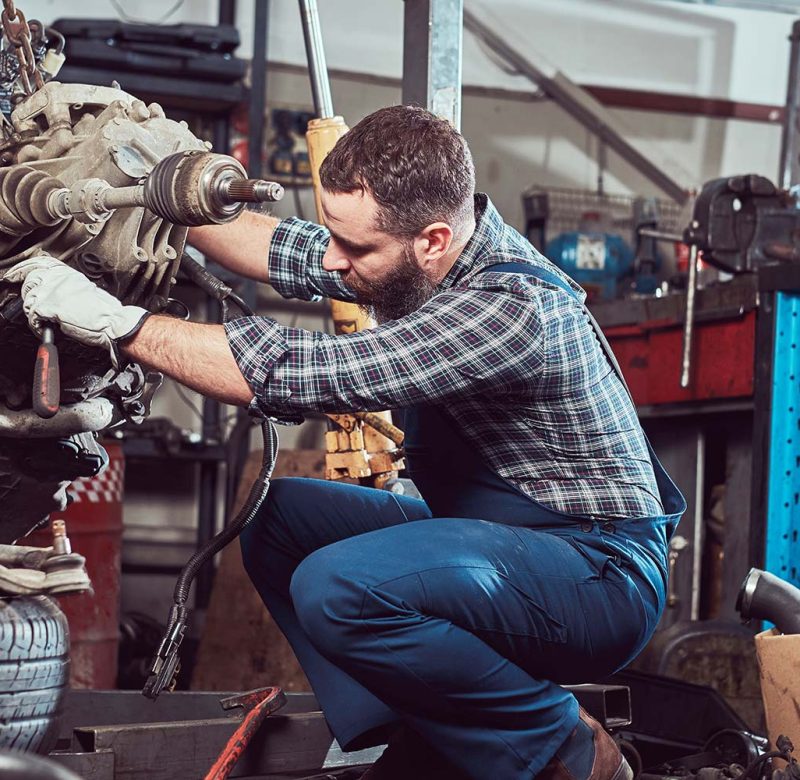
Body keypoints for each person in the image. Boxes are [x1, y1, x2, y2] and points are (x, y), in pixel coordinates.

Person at [6, 105, 685, 780]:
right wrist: (161, 202)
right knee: (277, 520)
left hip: (598, 574)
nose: (335, 260)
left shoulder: (507, 308)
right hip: (507, 534)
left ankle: (567, 748)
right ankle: (414, 723)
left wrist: (115, 323)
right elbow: (282, 247)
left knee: (340, 588)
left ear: (433, 240)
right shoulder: (417, 256)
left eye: (355, 249)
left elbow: (297, 372)